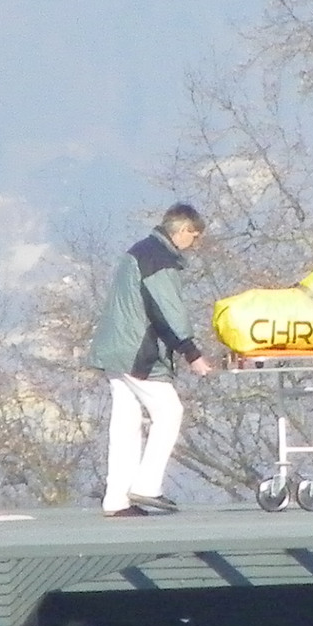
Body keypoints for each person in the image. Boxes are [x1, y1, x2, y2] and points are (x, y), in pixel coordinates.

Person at [88, 203, 213, 517]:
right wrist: (192, 353)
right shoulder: (159, 259)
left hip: (113, 348)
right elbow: (167, 311)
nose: (196, 243)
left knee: (126, 423)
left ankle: (117, 500)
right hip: (136, 351)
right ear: (183, 230)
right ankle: (147, 484)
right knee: (169, 411)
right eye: (195, 236)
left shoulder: (139, 251)